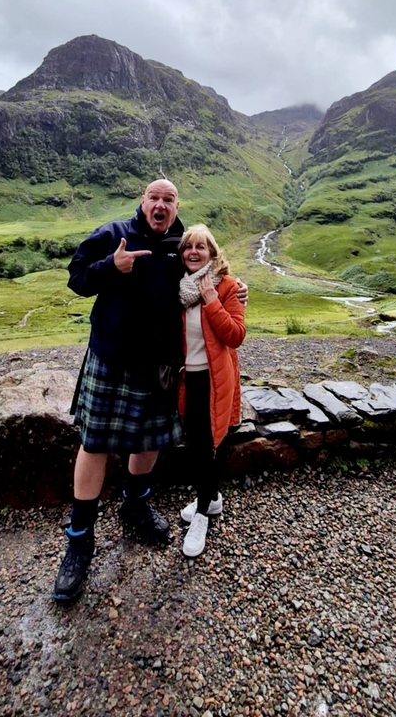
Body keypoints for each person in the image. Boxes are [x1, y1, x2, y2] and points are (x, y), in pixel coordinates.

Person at [53, 180, 247, 602]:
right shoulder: (113, 234)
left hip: (158, 366)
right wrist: (111, 267)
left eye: (169, 199)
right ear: (143, 202)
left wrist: (237, 288)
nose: (160, 205)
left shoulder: (181, 246)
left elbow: (210, 271)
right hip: (111, 358)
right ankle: (79, 542)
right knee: (95, 443)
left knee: (151, 442)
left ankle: (135, 504)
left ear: (177, 206)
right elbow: (77, 279)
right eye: (154, 198)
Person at [177, 224, 246, 558]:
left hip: (214, 379)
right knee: (196, 443)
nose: (193, 251)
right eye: (188, 246)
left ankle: (202, 515)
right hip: (186, 380)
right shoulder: (178, 289)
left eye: (201, 247)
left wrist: (211, 300)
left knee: (206, 445)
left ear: (212, 254)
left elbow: (235, 335)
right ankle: (213, 498)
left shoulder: (227, 287)